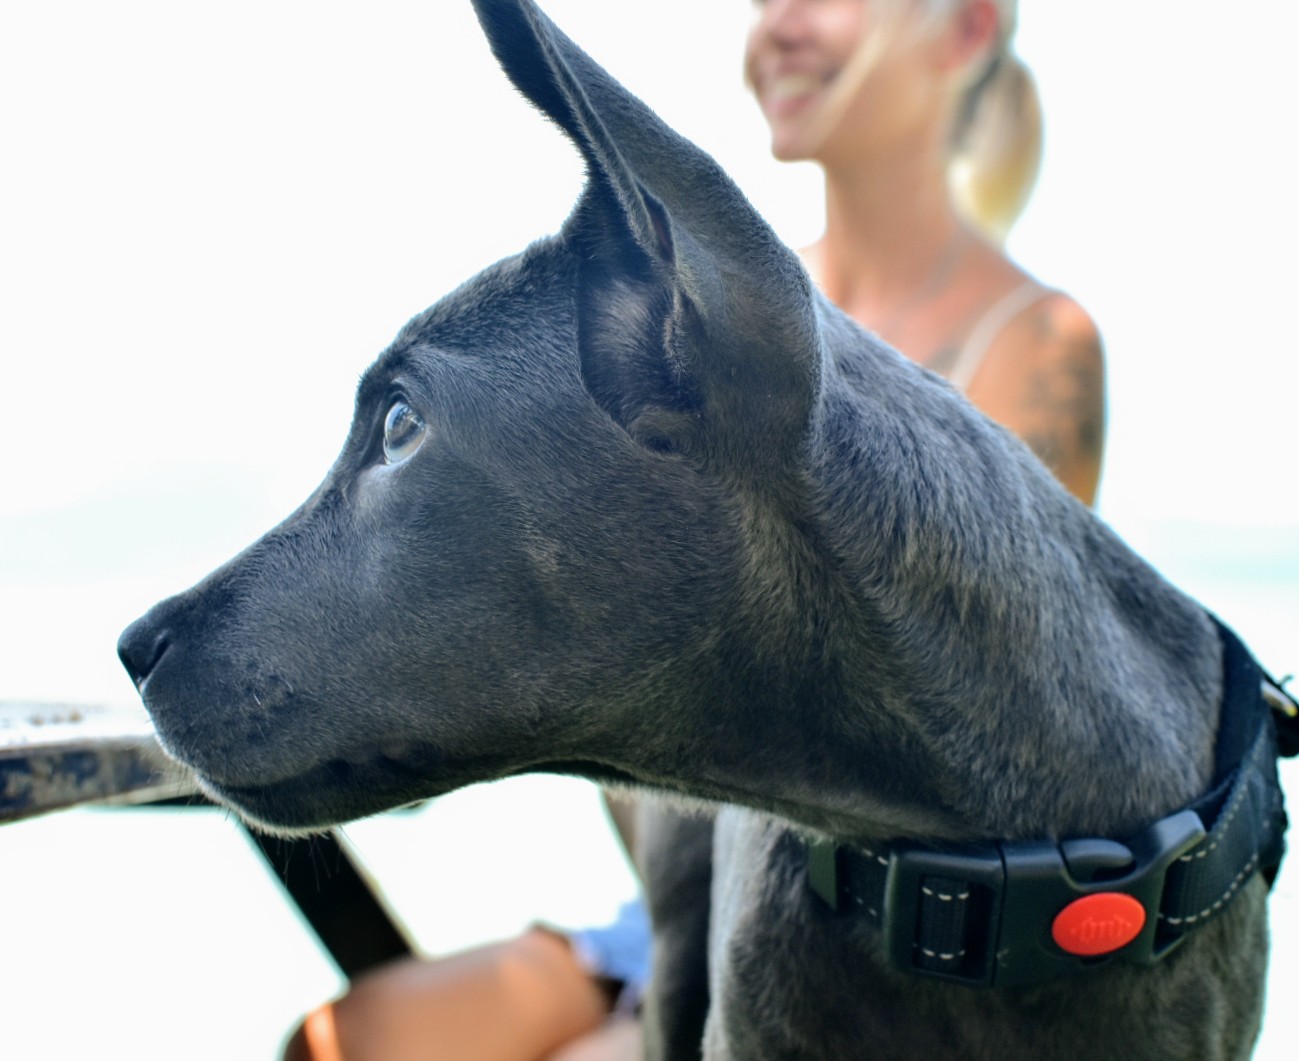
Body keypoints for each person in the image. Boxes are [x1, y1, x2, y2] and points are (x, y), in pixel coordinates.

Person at [283, 1, 1101, 1057]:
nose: (778, 26)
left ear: (966, 29)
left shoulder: (1035, 343)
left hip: (850, 947)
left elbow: (959, 716)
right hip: (665, 907)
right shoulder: (695, 314)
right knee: (338, 1041)